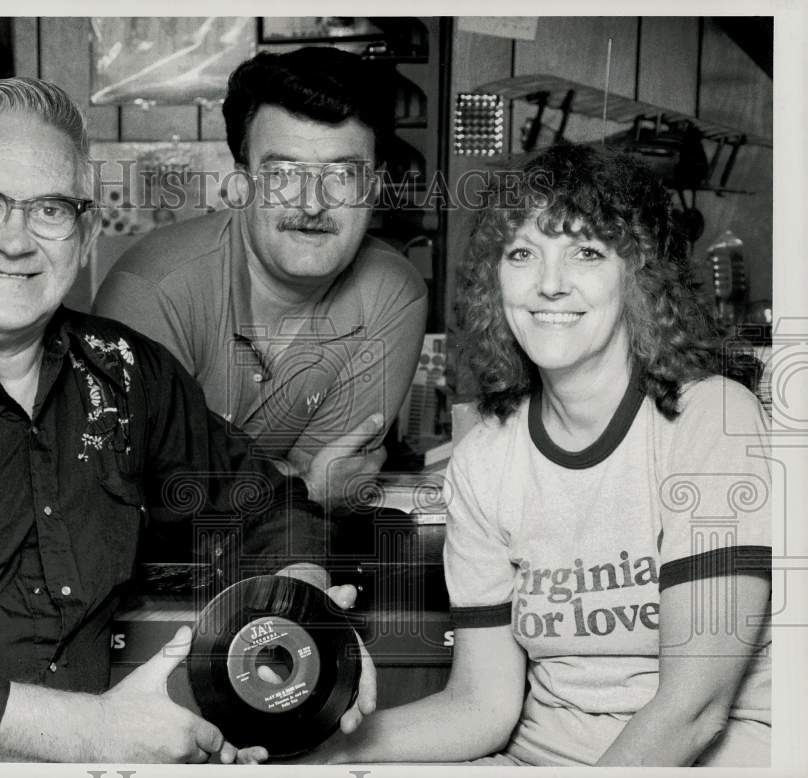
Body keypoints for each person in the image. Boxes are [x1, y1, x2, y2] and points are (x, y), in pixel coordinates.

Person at [0, 77, 374, 762]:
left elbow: (260, 502)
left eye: (51, 209)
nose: (17, 240)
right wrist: (90, 731)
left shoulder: (126, 374)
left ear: (84, 236)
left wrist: (305, 611)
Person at [305, 144, 771, 766]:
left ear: (639, 276)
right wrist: (323, 757)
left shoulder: (710, 418)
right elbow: (481, 706)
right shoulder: (485, 462)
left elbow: (694, 709)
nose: (550, 284)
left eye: (586, 252)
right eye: (523, 253)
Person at [93, 47, 428, 512]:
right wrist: (304, 489)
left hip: (294, 564)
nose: (312, 204)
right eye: (282, 173)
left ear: (372, 190)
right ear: (242, 183)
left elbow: (332, 483)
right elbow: (142, 503)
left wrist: (252, 486)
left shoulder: (391, 293)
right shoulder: (154, 290)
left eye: (342, 175)